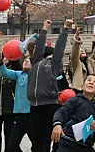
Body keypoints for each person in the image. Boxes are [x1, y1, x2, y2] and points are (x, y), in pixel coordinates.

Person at [29, 19, 72, 152]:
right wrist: (44, 29)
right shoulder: (36, 62)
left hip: (50, 105)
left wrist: (65, 29)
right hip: (35, 106)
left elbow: (60, 48)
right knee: (38, 141)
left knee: (56, 136)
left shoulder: (53, 65)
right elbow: (39, 47)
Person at [51, 74, 95, 152]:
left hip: (86, 145)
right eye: (89, 80)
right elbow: (61, 112)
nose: (91, 82)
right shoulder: (74, 100)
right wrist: (57, 124)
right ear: (82, 86)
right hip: (68, 143)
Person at [0, 54, 33, 152]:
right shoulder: (19, 74)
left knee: (37, 145)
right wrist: (0, 61)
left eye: (29, 60)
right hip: (19, 116)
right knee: (12, 145)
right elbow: (4, 72)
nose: (26, 61)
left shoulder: (35, 75)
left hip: (32, 115)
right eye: (25, 60)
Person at [68, 26, 95, 92]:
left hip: (91, 89)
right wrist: (77, 38)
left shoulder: (90, 61)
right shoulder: (75, 64)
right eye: (79, 50)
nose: (82, 51)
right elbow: (74, 54)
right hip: (79, 90)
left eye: (83, 50)